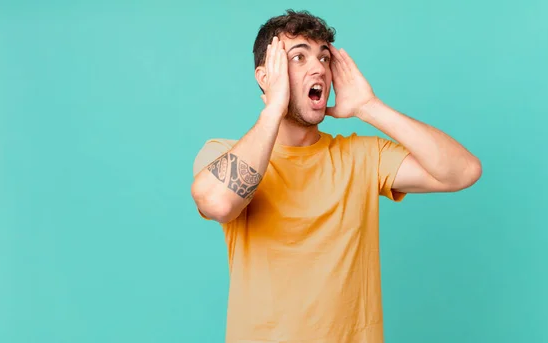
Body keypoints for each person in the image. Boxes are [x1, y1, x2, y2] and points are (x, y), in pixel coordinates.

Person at [191, 9, 482, 343]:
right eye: (298, 57)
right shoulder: (222, 155)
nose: (318, 67)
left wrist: (369, 107)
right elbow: (218, 203)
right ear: (264, 75)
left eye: (324, 58)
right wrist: (273, 108)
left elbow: (463, 171)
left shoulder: (362, 156)